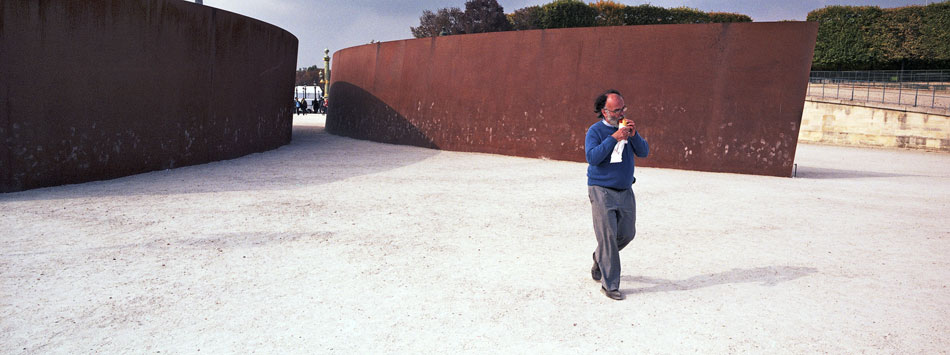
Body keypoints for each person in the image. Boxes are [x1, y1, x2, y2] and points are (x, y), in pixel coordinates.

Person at [584, 89, 649, 300]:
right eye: (616, 110)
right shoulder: (595, 131)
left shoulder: (627, 129)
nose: (620, 113)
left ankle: (599, 258)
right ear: (604, 112)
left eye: (623, 108)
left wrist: (634, 134)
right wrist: (613, 138)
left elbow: (644, 152)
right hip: (601, 190)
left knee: (627, 234)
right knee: (609, 238)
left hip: (625, 190)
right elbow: (592, 157)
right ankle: (610, 285)